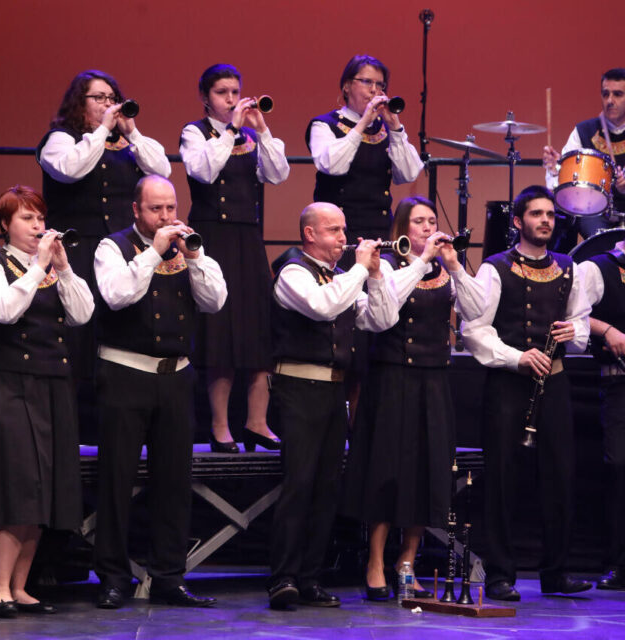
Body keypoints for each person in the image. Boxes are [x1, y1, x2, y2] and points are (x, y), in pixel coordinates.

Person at [0, 186, 93, 618]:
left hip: (50, 385)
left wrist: (63, 271)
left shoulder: (52, 265)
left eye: (39, 218)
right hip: (5, 385)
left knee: (43, 490)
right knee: (14, 489)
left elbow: (83, 313)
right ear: (5, 225)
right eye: (27, 219)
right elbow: (2, 311)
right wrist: (36, 269)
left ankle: (20, 585)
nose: (37, 227)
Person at [339, 197, 486, 601]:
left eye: (431, 221)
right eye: (419, 222)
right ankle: (374, 562)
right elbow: (383, 314)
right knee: (387, 470)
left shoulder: (445, 271)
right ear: (402, 229)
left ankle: (407, 559)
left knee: (427, 471)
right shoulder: (386, 267)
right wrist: (420, 262)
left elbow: (478, 310)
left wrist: (454, 265)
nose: (427, 228)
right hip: (391, 379)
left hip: (433, 381)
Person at [93, 175, 226, 609]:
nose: (167, 217)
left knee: (174, 480)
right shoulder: (112, 247)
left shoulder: (188, 249)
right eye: (156, 210)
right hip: (126, 374)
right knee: (117, 479)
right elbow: (116, 296)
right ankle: (113, 577)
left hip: (176, 377)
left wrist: (196, 255)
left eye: (170, 208)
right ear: (136, 210)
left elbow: (215, 301)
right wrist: (153, 252)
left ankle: (169, 576)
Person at [461, 185, 593, 601]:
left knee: (560, 475)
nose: (545, 221)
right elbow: (474, 331)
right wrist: (516, 357)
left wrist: (576, 334)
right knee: (502, 477)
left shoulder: (570, 267)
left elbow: (583, 326)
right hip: (508, 383)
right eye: (536, 214)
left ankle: (556, 572)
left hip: (553, 383)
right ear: (518, 221)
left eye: (551, 215)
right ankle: (501, 573)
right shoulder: (495, 268)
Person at [266, 202, 396, 610]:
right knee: (299, 484)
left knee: (325, 488)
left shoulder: (340, 277)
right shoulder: (291, 270)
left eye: (344, 230)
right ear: (310, 234)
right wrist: (359, 270)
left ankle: (310, 577)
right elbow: (322, 306)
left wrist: (374, 278)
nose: (344, 238)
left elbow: (378, 320)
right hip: (297, 388)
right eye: (334, 231)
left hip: (332, 391)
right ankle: (283, 577)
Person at [37, 70, 172, 439]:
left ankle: (115, 425)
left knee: (118, 332)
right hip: (77, 252)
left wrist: (133, 133)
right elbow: (69, 170)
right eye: (98, 97)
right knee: (76, 336)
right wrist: (100, 132)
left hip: (119, 252)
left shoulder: (126, 143)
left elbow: (163, 172)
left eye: (111, 97)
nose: (107, 104)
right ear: (79, 103)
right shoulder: (61, 139)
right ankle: (66, 430)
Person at [180, 63, 289, 453]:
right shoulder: (196, 132)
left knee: (257, 327)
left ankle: (257, 422)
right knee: (221, 333)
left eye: (234, 92)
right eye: (222, 93)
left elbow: (278, 174)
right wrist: (230, 131)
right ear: (206, 98)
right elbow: (203, 172)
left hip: (247, 238)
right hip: (214, 238)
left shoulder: (250, 135)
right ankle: (219, 425)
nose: (231, 99)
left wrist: (262, 129)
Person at [306, 54, 424, 247]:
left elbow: (409, 174)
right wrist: (362, 124)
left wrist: (396, 128)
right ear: (346, 86)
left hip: (380, 229)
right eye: (367, 82)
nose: (374, 90)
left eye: (380, 85)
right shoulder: (324, 124)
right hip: (338, 232)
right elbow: (331, 166)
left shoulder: (386, 128)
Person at [578, 236, 625, 589]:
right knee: (620, 468)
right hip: (618, 381)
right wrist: (606, 329)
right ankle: (620, 564)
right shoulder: (598, 268)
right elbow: (571, 311)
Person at [543, 68, 625, 240]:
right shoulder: (583, 131)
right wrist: (556, 169)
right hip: (594, 212)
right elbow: (561, 183)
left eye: (617, 94)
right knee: (598, 241)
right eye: (605, 94)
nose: (610, 100)